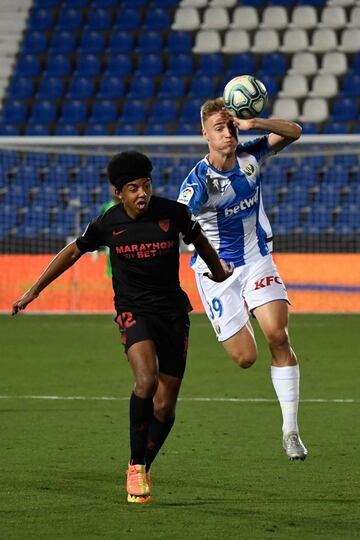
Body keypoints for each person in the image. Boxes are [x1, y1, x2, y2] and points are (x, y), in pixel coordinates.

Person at [12, 150, 234, 504]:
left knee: (165, 407)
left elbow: (200, 241)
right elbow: (73, 251)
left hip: (174, 315)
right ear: (118, 193)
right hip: (133, 312)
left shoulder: (173, 213)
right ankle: (135, 466)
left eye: (146, 185)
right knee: (146, 380)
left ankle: (144, 465)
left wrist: (220, 271)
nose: (142, 194)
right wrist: (34, 290)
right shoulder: (107, 223)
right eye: (133, 188)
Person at [177, 98, 308, 461]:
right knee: (246, 358)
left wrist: (256, 123)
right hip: (217, 274)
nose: (227, 133)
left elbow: (295, 132)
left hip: (256, 261)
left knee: (278, 336)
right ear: (204, 134)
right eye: (219, 128)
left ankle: (291, 431)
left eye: (230, 126)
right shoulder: (199, 182)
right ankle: (248, 308)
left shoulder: (251, 156)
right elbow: (177, 220)